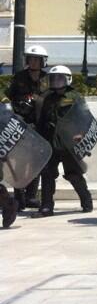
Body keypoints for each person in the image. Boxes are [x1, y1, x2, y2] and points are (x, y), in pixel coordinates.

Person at [35, 65, 93, 216]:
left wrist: (81, 134)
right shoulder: (47, 98)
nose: (56, 81)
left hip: (69, 143)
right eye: (53, 78)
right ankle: (46, 206)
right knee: (47, 174)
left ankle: (86, 200)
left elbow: (85, 118)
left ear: (68, 79)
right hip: (51, 142)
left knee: (73, 174)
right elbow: (42, 120)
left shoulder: (75, 97)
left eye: (59, 78)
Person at [4, 44, 48, 210]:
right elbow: (7, 96)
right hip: (21, 124)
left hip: (40, 125)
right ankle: (19, 197)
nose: (34, 62)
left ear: (43, 61)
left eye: (37, 59)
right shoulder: (19, 77)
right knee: (19, 160)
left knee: (36, 161)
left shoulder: (48, 79)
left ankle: (31, 196)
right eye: (31, 59)